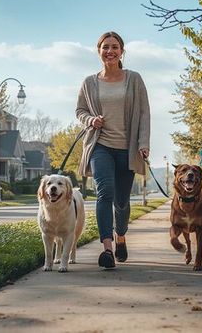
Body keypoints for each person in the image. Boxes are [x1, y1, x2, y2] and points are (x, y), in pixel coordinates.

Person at [76, 31, 151, 269]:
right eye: (105, 47)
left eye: (114, 47)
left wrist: (143, 143)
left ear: (122, 51)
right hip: (100, 146)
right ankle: (107, 249)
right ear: (99, 51)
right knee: (104, 193)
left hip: (127, 149)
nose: (110, 51)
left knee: (121, 201)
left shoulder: (134, 79)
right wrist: (90, 121)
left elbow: (144, 113)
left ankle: (120, 236)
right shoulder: (89, 82)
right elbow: (80, 110)